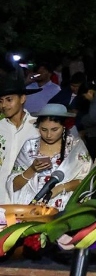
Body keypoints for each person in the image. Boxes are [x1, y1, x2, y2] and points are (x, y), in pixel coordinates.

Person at [7, 104, 92, 211]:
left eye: (54, 129)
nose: (48, 135)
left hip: (65, 208)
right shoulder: (30, 146)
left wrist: (60, 188)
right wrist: (32, 169)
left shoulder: (75, 148)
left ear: (64, 126)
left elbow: (87, 180)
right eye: (43, 129)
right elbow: (14, 185)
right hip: (32, 208)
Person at [0, 72, 40, 203]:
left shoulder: (38, 127)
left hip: (27, 197)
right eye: (1, 101)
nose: (4, 105)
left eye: (9, 99)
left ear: (23, 99)